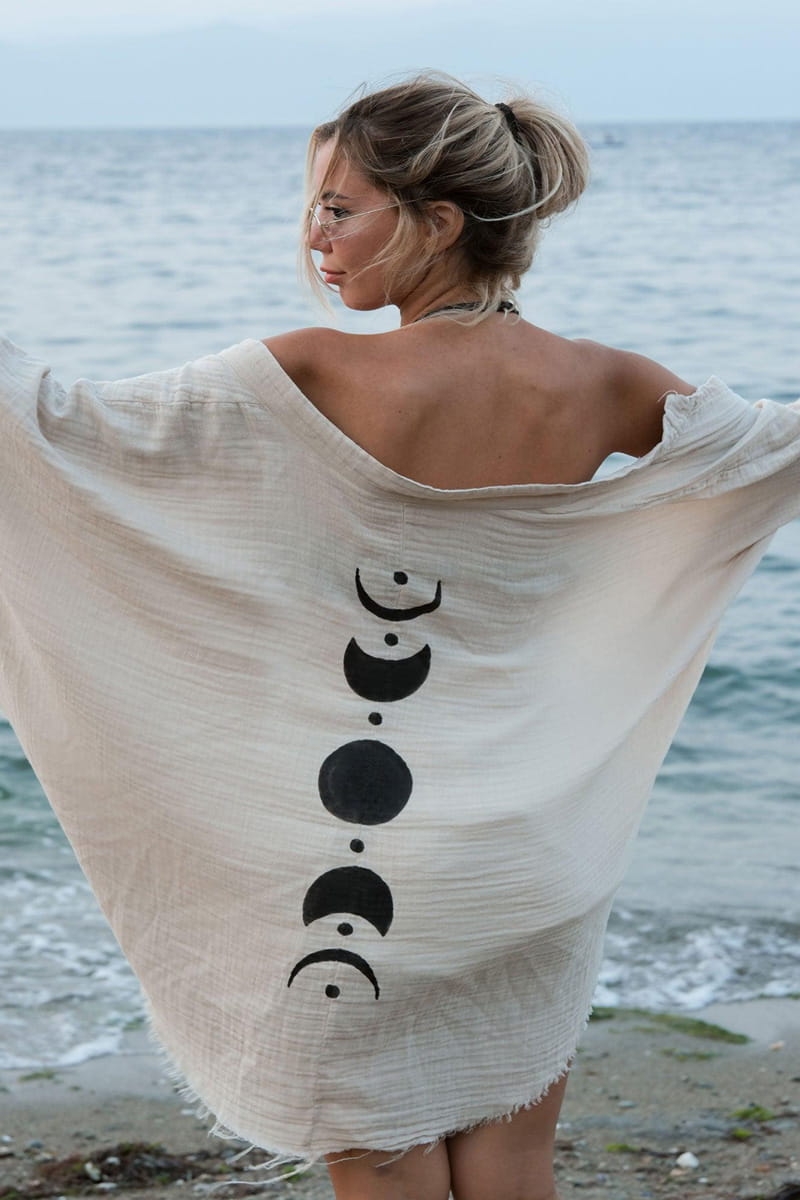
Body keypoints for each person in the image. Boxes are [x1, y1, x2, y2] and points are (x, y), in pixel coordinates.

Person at [1, 72, 799, 1200]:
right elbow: (772, 452)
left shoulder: (310, 373)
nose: (313, 238)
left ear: (435, 222)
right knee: (514, 1163)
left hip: (354, 870)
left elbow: (53, 436)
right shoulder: (610, 384)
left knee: (383, 1168)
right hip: (530, 852)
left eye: (340, 208)